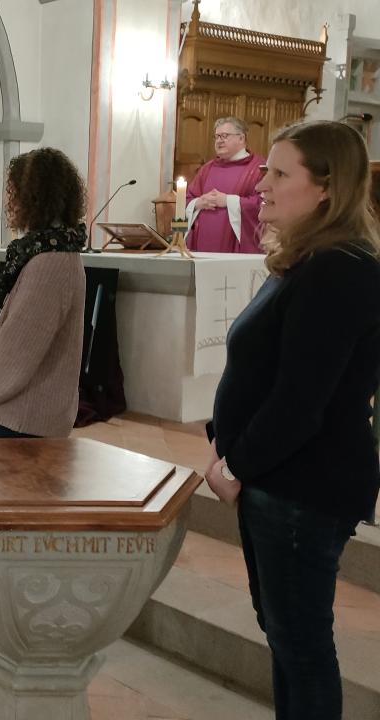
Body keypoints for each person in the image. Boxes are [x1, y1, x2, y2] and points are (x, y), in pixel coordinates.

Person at [205, 120, 380, 720]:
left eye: (281, 174)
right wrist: (220, 440)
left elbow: (301, 401)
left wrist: (235, 463)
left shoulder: (342, 267)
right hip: (282, 480)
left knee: (302, 647)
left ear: (326, 187)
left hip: (303, 484)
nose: (262, 185)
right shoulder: (315, 260)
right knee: (288, 638)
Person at [0, 147, 86, 440]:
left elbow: (17, 353)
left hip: (24, 424)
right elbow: (5, 331)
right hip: (13, 413)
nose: (7, 201)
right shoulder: (45, 251)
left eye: (12, 191)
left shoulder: (52, 262)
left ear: (35, 196)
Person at [186, 117, 266, 254]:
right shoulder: (207, 168)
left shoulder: (258, 168)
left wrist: (228, 201)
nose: (219, 140)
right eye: (216, 137)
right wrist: (199, 202)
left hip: (237, 250)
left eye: (225, 136)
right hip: (202, 245)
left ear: (241, 138)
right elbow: (186, 198)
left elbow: (264, 204)